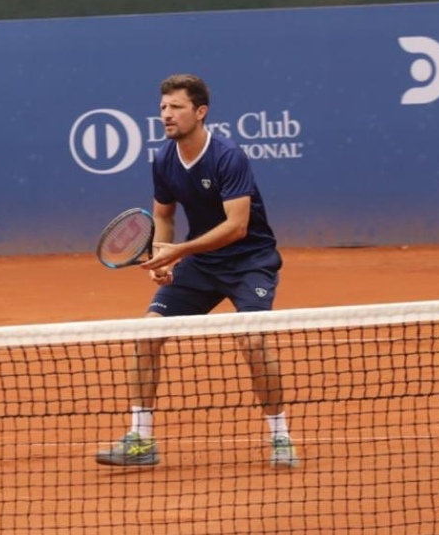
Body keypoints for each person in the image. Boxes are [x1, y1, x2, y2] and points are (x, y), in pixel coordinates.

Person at [95, 74, 299, 469]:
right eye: (163, 109)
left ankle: (280, 436)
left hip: (249, 262)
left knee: (252, 343)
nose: (166, 115)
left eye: (176, 108)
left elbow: (236, 227)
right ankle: (140, 439)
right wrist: (162, 258)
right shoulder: (163, 160)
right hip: (202, 264)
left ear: (200, 112)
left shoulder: (227, 156)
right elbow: (163, 215)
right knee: (147, 334)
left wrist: (180, 250)